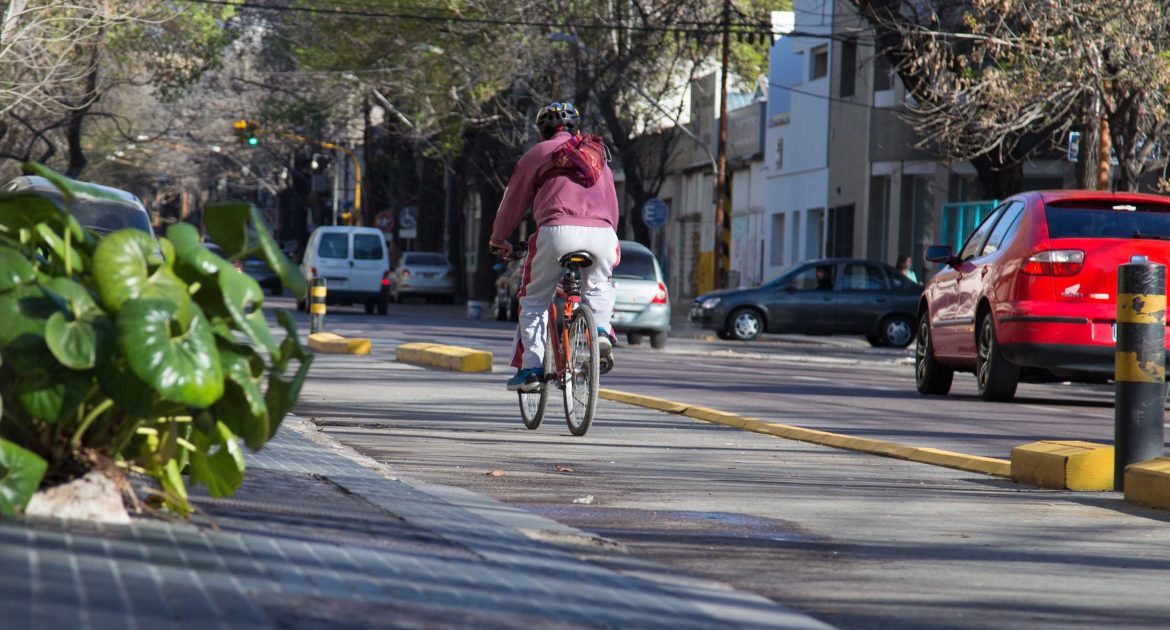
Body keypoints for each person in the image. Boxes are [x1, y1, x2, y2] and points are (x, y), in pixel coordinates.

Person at [489, 102, 620, 392]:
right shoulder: (597, 154)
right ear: (576, 128)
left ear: (542, 132)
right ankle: (599, 330)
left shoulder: (537, 154)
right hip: (603, 233)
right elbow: (613, 206)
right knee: (599, 285)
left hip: (556, 231)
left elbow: (513, 202)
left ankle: (532, 369)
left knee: (533, 299)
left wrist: (499, 238)